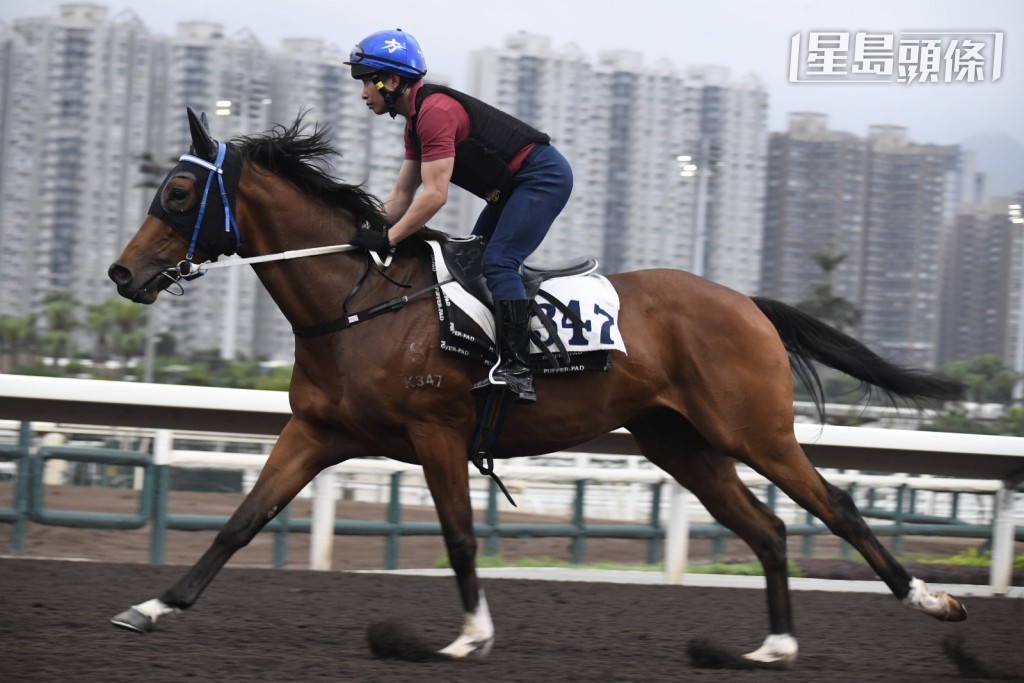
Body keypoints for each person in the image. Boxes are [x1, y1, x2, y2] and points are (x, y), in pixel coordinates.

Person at [345, 28, 573, 404]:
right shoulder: (415, 122)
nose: (364, 93)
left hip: (541, 178)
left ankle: (518, 370)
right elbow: (402, 195)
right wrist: (364, 229)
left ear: (393, 80)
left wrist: (389, 239)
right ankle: (493, 352)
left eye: (368, 82)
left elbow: (435, 196)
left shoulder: (434, 113)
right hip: (512, 189)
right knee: (472, 260)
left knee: (499, 263)